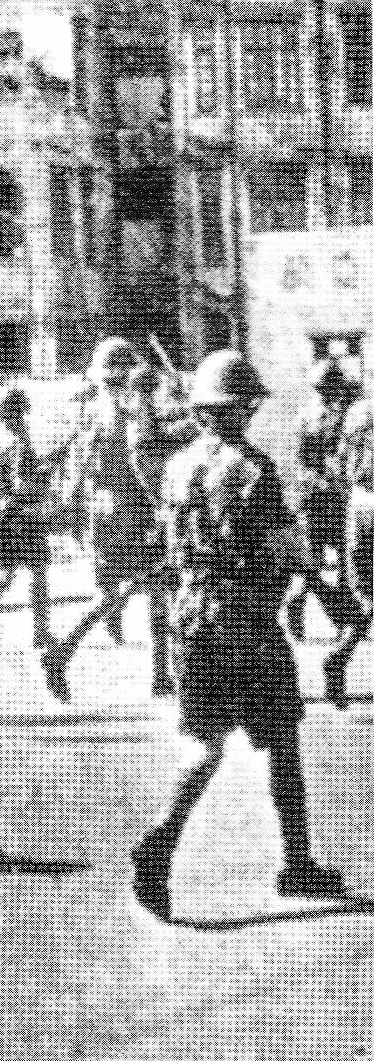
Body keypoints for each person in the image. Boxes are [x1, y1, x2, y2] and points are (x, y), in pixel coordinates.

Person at [131, 351, 347, 921]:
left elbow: (167, 540)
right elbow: (286, 549)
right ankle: (297, 865)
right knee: (282, 740)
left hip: (191, 618)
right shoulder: (255, 471)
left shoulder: (177, 468)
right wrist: (329, 595)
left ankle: (162, 839)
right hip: (247, 620)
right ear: (244, 408)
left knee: (203, 743)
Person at [41, 344, 194, 702]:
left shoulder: (91, 413)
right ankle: (157, 672)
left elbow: (79, 471)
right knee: (158, 588)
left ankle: (68, 650)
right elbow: (148, 455)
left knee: (124, 592)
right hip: (137, 511)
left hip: (103, 513)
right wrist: (192, 417)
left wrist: (76, 514)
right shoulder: (130, 412)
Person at [0, 388, 56, 652]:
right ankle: (40, 632)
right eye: (17, 414)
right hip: (18, 513)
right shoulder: (16, 441)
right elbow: (22, 482)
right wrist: (44, 476)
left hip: (2, 514)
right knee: (36, 571)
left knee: (11, 573)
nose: (21, 419)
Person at [286, 359, 359, 641]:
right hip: (320, 496)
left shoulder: (323, 414)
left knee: (336, 560)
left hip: (327, 496)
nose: (333, 393)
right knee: (319, 561)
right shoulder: (318, 416)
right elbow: (306, 460)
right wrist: (327, 476)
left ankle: (342, 618)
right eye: (332, 388)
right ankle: (307, 611)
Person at [323, 387, 373, 708]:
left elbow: (340, 470)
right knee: (366, 600)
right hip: (366, 508)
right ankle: (336, 660)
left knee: (365, 598)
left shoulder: (357, 415)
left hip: (358, 508)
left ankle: (337, 660)